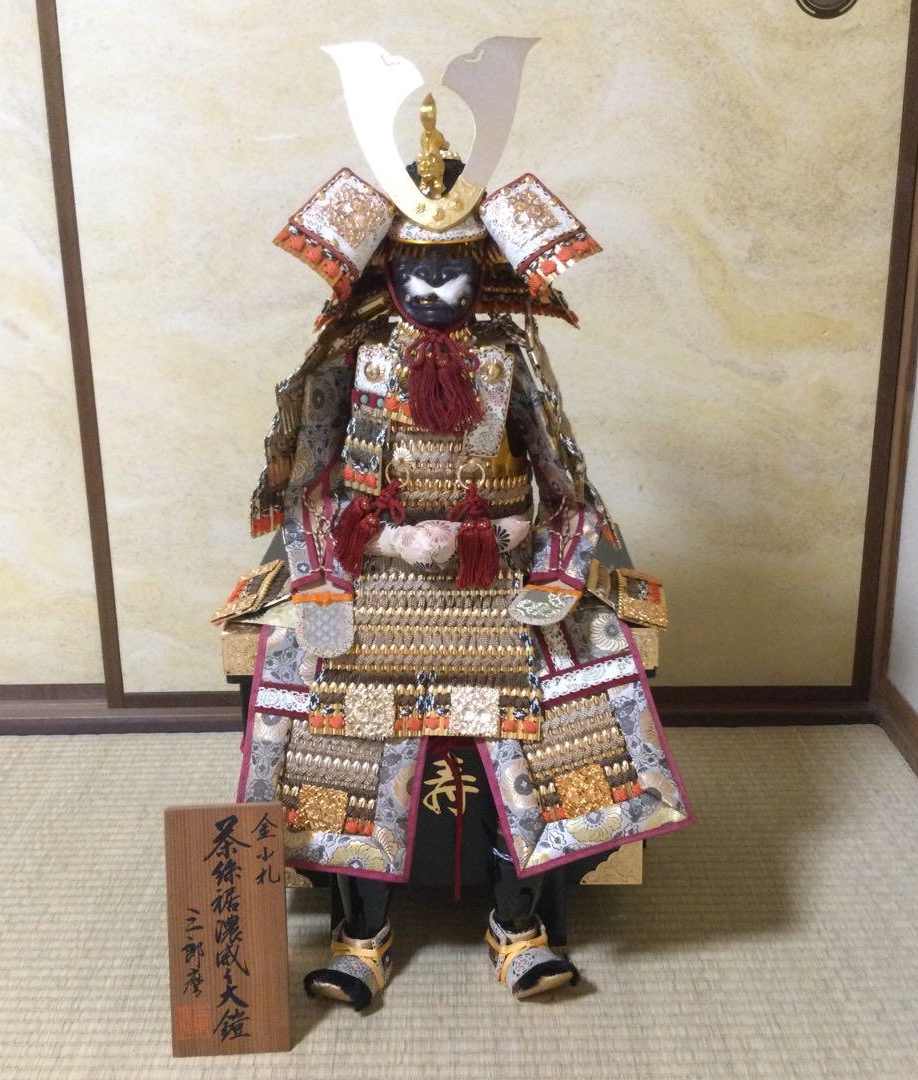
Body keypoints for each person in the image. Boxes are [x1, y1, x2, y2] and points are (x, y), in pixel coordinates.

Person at [232, 38, 691, 1009]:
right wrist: (384, 541)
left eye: (452, 268)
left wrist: (535, 548)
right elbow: (312, 491)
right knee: (340, 721)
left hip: (497, 573)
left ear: (482, 267)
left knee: (557, 712)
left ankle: (517, 924)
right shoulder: (349, 360)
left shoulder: (510, 358)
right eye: (417, 267)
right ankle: (360, 935)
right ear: (386, 266)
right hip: (381, 575)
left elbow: (568, 486)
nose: (435, 288)